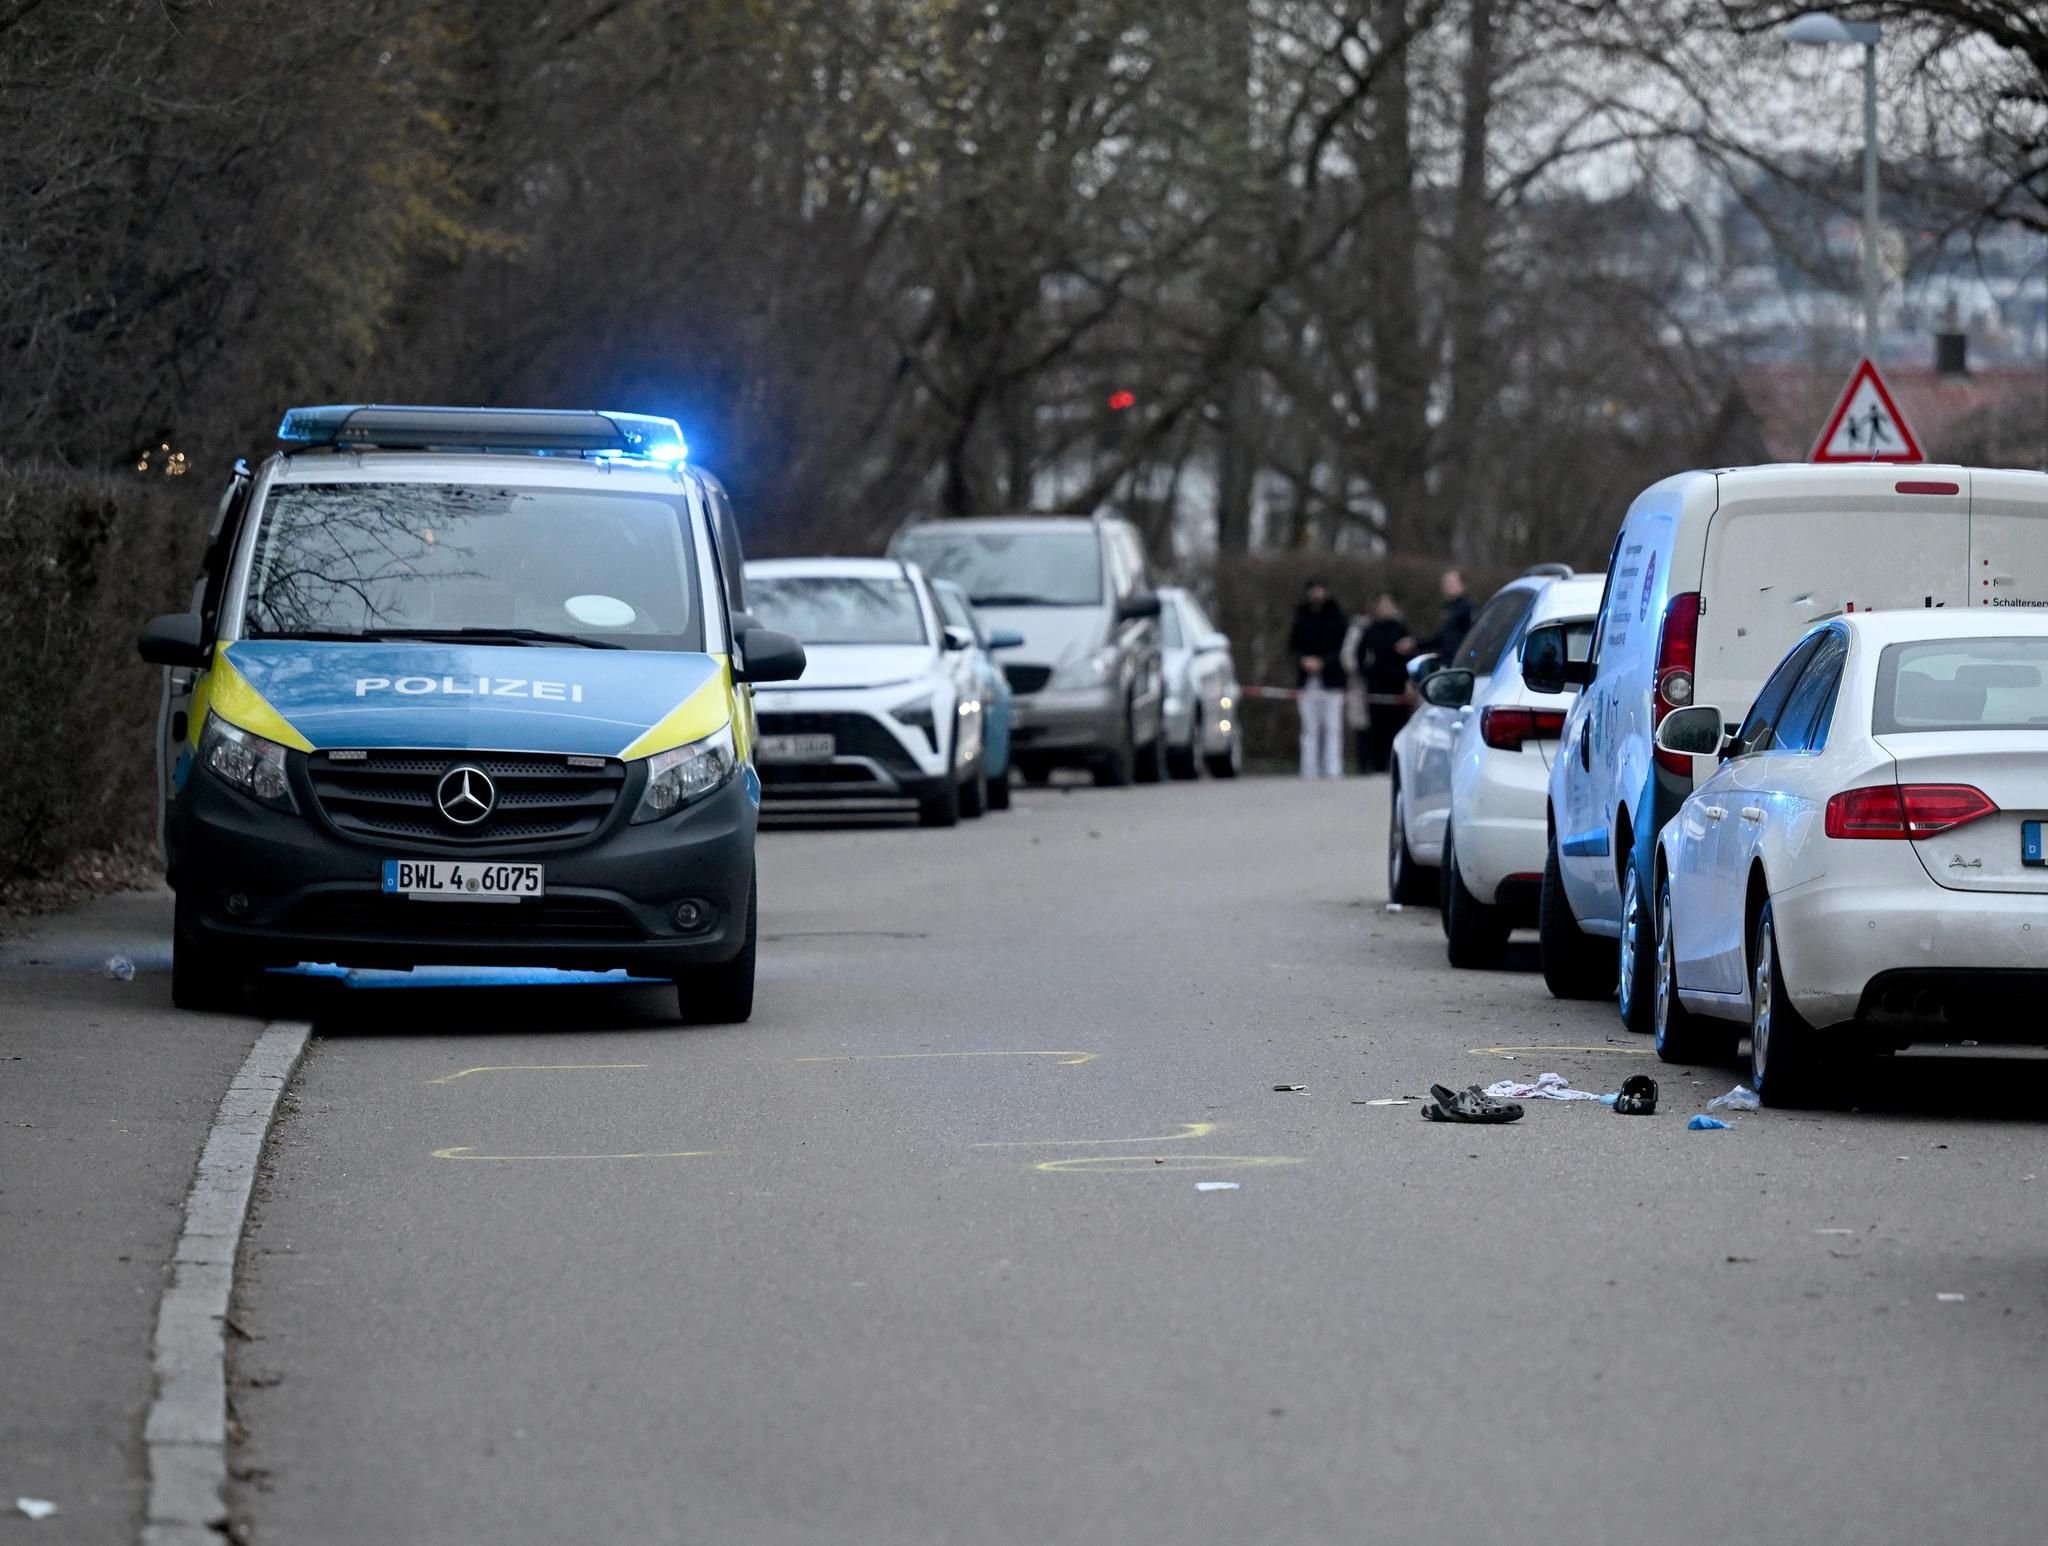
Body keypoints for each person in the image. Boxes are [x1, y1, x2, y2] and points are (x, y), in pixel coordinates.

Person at [1343, 592, 1414, 774]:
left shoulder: (1400, 628)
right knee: (1377, 727)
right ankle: (1378, 765)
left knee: (1397, 726)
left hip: (1397, 684)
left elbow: (1410, 654)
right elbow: (1358, 654)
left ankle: (1397, 765)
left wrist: (1409, 679)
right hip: (1376, 685)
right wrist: (1366, 673)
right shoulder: (1370, 630)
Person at [1288, 578, 1348, 779]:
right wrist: (1304, 661)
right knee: (1309, 728)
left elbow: (1343, 649)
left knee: (1332, 727)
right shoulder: (1300, 617)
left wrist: (1324, 662)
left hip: (1332, 680)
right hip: (1307, 681)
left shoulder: (1338, 617)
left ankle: (1333, 769)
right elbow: (1292, 647)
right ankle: (1309, 770)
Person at [1431, 568, 1474, 662]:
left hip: (1461, 663)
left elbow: (1473, 638)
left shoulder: (1467, 608)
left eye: (1451, 582)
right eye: (1445, 582)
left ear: (1463, 585)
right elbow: (1441, 638)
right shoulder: (1448, 609)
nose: (1447, 585)